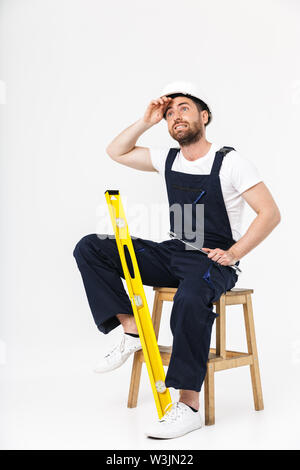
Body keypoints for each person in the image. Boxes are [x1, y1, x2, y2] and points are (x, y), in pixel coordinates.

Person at [73, 81, 281, 439]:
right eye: (170, 113)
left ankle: (188, 404)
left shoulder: (231, 162)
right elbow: (116, 151)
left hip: (211, 260)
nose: (175, 116)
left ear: (204, 116)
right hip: (173, 251)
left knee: (189, 298)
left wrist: (232, 254)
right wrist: (146, 120)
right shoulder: (167, 158)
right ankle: (132, 330)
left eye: (183, 108)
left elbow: (270, 214)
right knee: (91, 246)